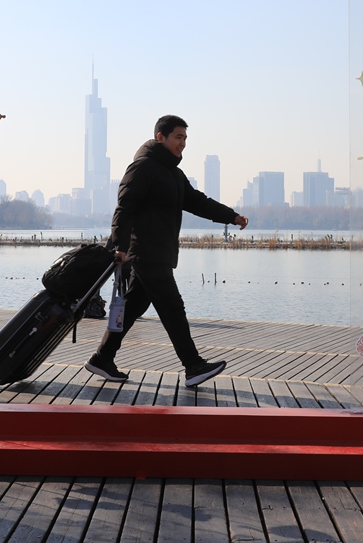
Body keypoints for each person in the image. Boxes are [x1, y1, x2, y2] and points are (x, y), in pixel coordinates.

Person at [85, 115, 249, 388]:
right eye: (178, 137)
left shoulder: (172, 172)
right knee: (173, 308)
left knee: (134, 306)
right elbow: (124, 209)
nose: (182, 144)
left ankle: (102, 358)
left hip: (160, 251)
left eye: (185, 138)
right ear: (160, 137)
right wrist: (119, 248)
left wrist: (231, 217)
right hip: (146, 252)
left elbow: (197, 202)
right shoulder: (143, 167)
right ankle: (193, 366)